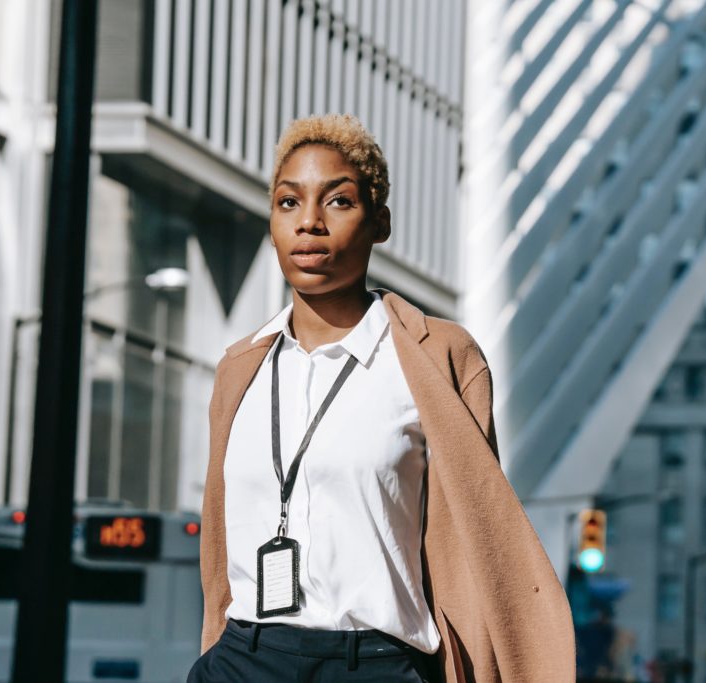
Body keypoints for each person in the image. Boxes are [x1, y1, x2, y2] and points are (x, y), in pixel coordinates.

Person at [187, 114, 576, 682]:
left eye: (338, 202)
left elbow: (473, 537)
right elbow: (220, 554)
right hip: (244, 659)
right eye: (289, 203)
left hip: (374, 662)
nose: (310, 224)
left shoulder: (436, 356)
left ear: (379, 223)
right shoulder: (240, 368)